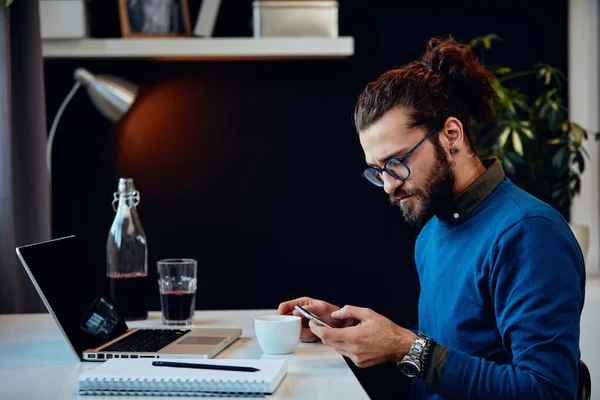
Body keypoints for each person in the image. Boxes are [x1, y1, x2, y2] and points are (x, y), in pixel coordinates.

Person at [277, 37, 586, 399]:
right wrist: (353, 329)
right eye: (377, 171)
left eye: (396, 163)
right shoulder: (433, 233)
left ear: (450, 135)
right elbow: (458, 354)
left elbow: (549, 391)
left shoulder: (529, 234)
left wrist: (407, 348)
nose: (388, 186)